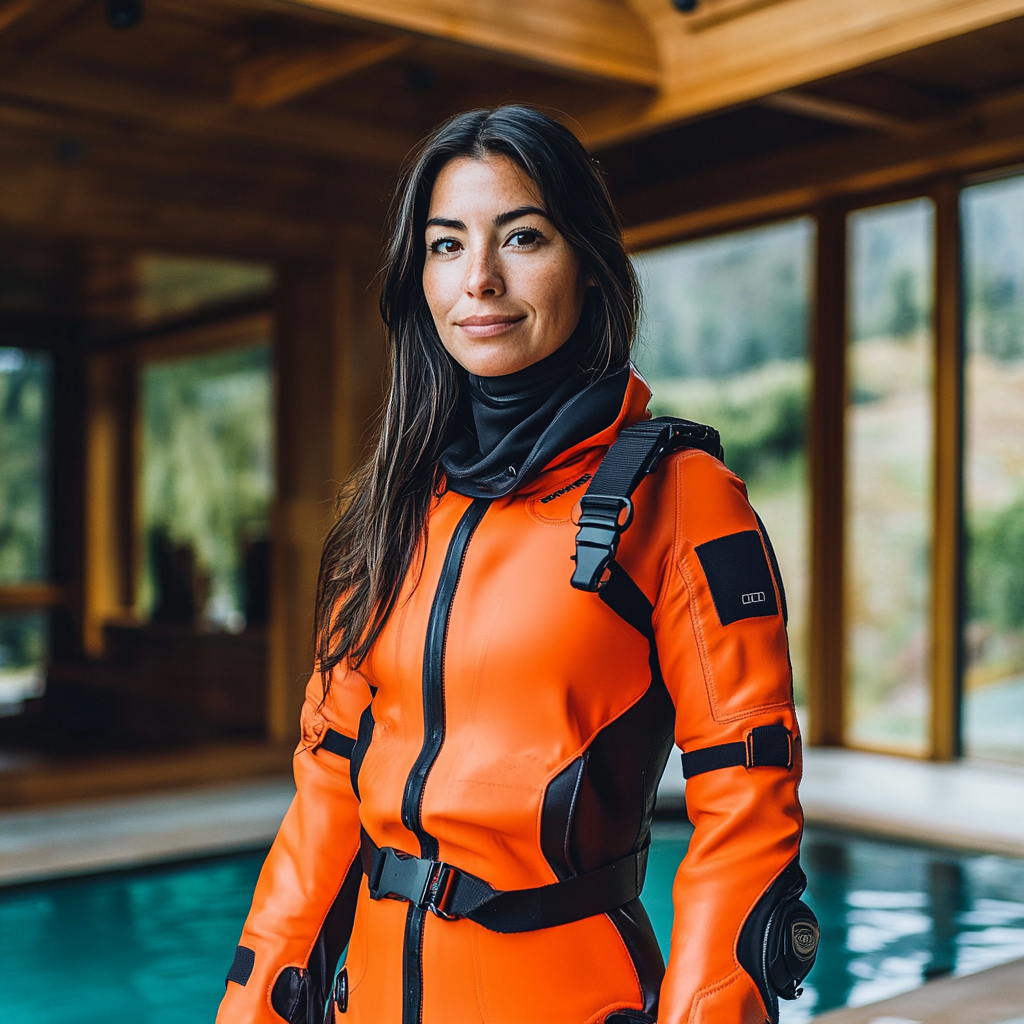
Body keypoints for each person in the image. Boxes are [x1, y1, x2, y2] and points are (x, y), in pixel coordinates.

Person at [216, 105, 813, 1024]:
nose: (479, 281)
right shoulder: (388, 511)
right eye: (446, 247)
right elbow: (328, 779)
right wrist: (252, 1007)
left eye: (522, 237)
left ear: (588, 260)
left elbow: (746, 800)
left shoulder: (683, 498)